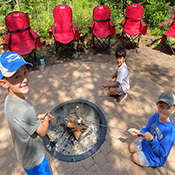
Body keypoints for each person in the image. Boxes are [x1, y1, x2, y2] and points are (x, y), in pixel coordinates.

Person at [0, 52, 54, 175]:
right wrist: (45, 117)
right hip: (35, 159)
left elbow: (22, 121)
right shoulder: (26, 110)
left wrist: (38, 117)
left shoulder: (9, 102)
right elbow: (42, 131)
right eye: (16, 77)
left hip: (24, 157)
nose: (24, 79)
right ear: (4, 83)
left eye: (25, 72)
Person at [129, 92, 175, 167]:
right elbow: (147, 129)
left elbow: (163, 152)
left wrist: (152, 139)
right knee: (131, 147)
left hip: (155, 156)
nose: (164, 110)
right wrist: (139, 132)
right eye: (162, 106)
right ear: (157, 105)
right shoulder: (155, 116)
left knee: (134, 157)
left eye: (168, 108)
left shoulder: (170, 132)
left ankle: (154, 163)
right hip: (147, 144)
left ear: (173, 110)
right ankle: (143, 147)